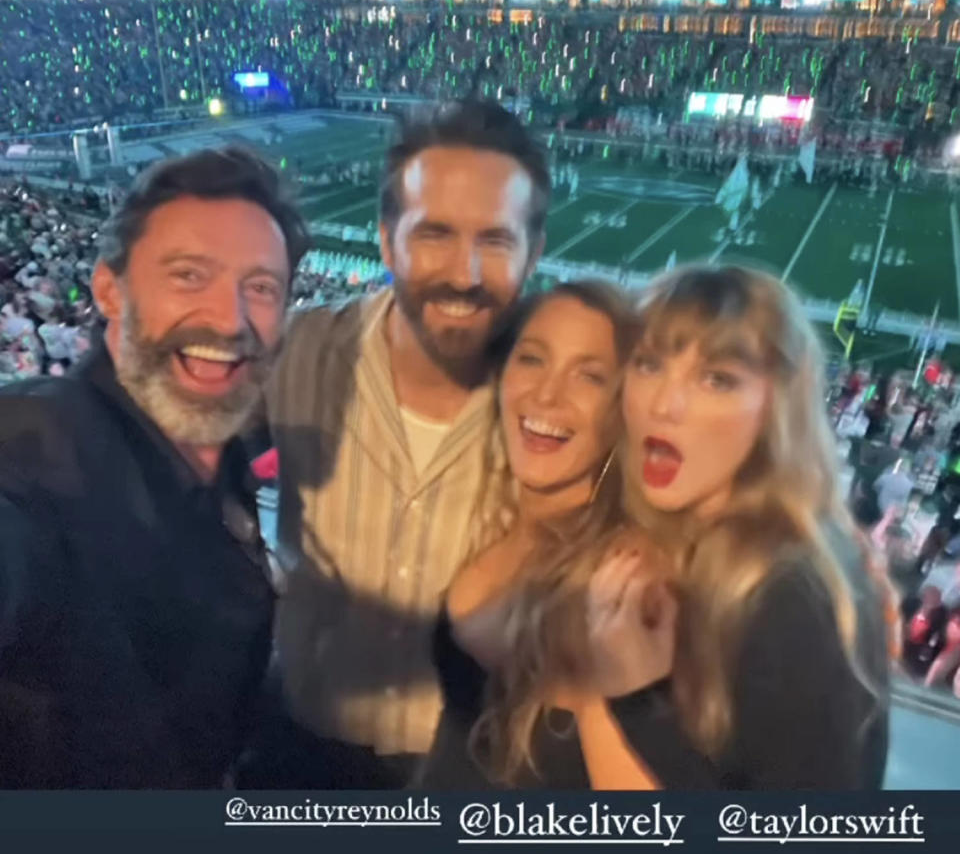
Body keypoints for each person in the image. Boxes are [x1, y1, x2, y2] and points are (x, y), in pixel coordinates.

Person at [0, 147, 308, 787]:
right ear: (109, 288)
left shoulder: (225, 450)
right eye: (189, 274)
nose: (230, 318)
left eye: (260, 287)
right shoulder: (35, 463)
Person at [265, 100, 551, 787]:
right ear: (387, 240)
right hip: (302, 738)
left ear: (534, 252)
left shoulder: (569, 404)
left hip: (474, 765)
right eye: (436, 234)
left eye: (496, 240)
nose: (465, 272)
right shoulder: (299, 351)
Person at [607, 264, 892, 789]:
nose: (663, 405)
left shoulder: (794, 595)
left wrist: (629, 694)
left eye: (716, 379)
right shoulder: (688, 542)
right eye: (647, 364)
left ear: (776, 408)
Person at [423, 282, 674, 789]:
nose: (546, 394)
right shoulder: (495, 513)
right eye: (533, 359)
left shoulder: (630, 577)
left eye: (590, 376)